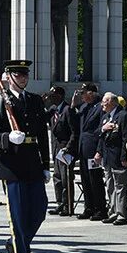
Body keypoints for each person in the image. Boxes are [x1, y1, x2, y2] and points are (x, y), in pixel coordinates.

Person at [0, 59, 50, 253]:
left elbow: (42, 135)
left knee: (40, 210)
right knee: (18, 216)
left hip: (33, 162)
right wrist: (7, 138)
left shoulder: (34, 100)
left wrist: (45, 164)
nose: (23, 78)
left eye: (25, 75)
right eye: (18, 75)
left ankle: (15, 242)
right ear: (8, 77)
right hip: (12, 164)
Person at [95, 92, 127, 226]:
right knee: (110, 186)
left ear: (112, 102)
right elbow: (99, 135)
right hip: (107, 157)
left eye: (104, 101)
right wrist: (99, 152)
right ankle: (113, 211)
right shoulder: (105, 117)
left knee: (120, 186)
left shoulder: (123, 115)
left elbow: (125, 138)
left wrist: (124, 156)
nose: (102, 104)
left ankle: (121, 214)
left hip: (118, 157)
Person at [73, 82, 107, 221]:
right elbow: (74, 123)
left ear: (91, 93)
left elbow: (100, 130)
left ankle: (100, 209)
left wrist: (99, 150)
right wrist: (73, 106)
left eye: (84, 93)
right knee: (86, 179)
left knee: (95, 180)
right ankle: (89, 207)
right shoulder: (84, 107)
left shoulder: (100, 107)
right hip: (83, 149)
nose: (81, 95)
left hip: (93, 149)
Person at [45, 86, 75, 216]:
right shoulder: (52, 110)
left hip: (65, 149)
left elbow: (74, 132)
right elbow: (41, 119)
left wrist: (68, 147)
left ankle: (67, 205)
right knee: (57, 178)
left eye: (53, 95)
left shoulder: (68, 110)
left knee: (65, 178)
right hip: (56, 148)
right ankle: (59, 204)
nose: (51, 97)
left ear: (60, 96)